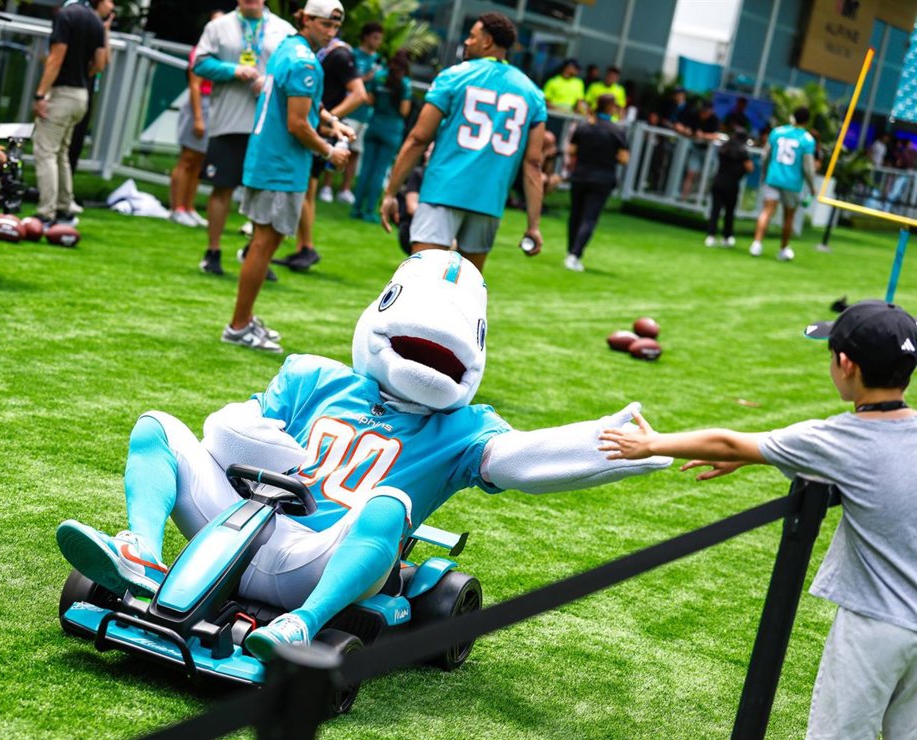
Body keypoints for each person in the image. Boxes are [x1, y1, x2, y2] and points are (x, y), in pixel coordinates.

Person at [55, 251, 670, 664]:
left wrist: (605, 445)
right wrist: (241, 434)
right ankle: (142, 554)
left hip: (324, 561)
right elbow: (236, 425)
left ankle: (301, 625)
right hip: (239, 522)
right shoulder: (312, 376)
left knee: (390, 503)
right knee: (157, 426)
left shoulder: (464, 428)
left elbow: (518, 459)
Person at [598, 299, 917, 740]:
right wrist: (754, 459)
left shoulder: (841, 438)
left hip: (874, 627)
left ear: (845, 365)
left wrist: (653, 444)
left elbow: (731, 443)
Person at [222, 0, 353, 352]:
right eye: (325, 24)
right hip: (280, 164)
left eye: (336, 26)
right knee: (264, 245)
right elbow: (297, 123)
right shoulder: (304, 60)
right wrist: (330, 151)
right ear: (306, 19)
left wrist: (331, 122)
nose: (331, 32)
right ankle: (238, 325)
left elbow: (305, 103)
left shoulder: (288, 48)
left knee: (264, 242)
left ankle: (244, 320)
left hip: (270, 159)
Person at [381, 13, 547, 272]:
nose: (467, 42)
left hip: (442, 191)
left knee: (421, 279)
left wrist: (391, 193)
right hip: (489, 202)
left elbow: (418, 138)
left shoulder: (454, 76)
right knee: (467, 288)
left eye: (471, 36)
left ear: (487, 42)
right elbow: (534, 163)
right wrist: (533, 225)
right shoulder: (532, 92)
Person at [191, 0, 295, 277]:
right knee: (222, 187)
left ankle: (255, 254)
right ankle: (213, 252)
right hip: (229, 121)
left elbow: (292, 71)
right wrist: (233, 70)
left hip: (268, 127)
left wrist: (269, 82)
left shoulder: (283, 30)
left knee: (265, 193)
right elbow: (199, 63)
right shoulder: (219, 26)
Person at [271, 23, 367, 272]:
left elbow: (359, 94)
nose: (329, 31)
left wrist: (330, 120)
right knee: (307, 189)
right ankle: (304, 246)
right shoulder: (319, 53)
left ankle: (305, 246)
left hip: (317, 130)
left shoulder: (339, 54)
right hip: (316, 127)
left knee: (304, 188)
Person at [31, 0, 110, 227]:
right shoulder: (96, 20)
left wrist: (40, 94)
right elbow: (100, 63)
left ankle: (46, 212)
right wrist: (82, 75)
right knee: (61, 153)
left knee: (46, 151)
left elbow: (56, 58)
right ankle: (65, 208)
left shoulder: (65, 15)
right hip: (81, 94)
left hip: (62, 94)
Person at [564, 93, 628, 272]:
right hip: (602, 178)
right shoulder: (617, 131)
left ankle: (570, 250)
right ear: (611, 107)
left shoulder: (584, 126)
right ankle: (575, 254)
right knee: (589, 217)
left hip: (580, 175)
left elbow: (571, 149)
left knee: (575, 215)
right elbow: (624, 158)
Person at [169, 15, 222, 228]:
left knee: (199, 162)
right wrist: (198, 118)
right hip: (199, 105)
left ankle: (189, 207)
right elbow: (195, 85)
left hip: (213, 105)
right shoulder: (201, 52)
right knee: (187, 159)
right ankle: (177, 208)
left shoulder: (221, 53)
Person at [326, 21, 384, 205]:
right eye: (375, 38)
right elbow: (351, 85)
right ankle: (327, 186)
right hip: (348, 113)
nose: (378, 42)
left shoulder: (379, 61)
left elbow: (374, 91)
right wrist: (364, 80)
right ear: (365, 37)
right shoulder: (351, 55)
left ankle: (345, 189)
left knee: (355, 153)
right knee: (337, 148)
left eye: (380, 39)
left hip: (365, 115)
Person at [351, 50, 411, 224]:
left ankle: (356, 208)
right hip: (391, 129)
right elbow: (404, 111)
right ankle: (370, 210)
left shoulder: (378, 77)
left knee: (365, 168)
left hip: (374, 124)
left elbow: (369, 100)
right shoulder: (405, 83)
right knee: (380, 171)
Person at [750, 106, 816, 261]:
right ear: (807, 121)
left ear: (793, 116)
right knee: (789, 217)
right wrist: (812, 186)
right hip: (792, 182)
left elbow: (766, 156)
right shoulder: (807, 139)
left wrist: (764, 174)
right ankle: (783, 249)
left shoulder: (777, 132)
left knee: (766, 211)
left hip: (773, 177)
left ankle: (757, 243)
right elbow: (808, 167)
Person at [705, 135, 753, 248]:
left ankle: (711, 236)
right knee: (729, 212)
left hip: (718, 181)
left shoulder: (724, 148)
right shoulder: (743, 152)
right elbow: (750, 168)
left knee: (715, 211)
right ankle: (727, 237)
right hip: (732, 184)